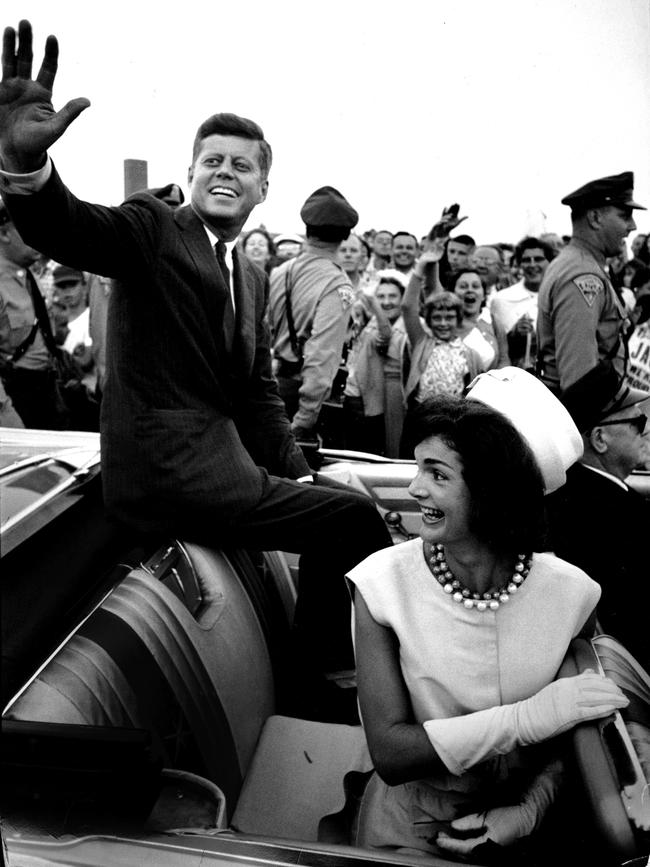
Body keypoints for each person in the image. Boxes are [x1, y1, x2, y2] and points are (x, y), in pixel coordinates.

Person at [0, 21, 392, 685]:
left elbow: (257, 392)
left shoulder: (254, 272)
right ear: (190, 172)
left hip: (221, 471)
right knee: (353, 522)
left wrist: (295, 471)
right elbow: (72, 226)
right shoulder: (154, 227)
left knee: (335, 506)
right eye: (212, 160)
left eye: (242, 165)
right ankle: (320, 678)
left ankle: (313, 668)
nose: (225, 172)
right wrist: (22, 164)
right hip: (169, 480)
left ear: (263, 189)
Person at [347, 370, 628, 862]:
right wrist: (526, 719)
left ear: (492, 491)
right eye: (418, 469)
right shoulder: (379, 584)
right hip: (409, 827)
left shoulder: (572, 592)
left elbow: (579, 726)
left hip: (529, 829)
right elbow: (390, 755)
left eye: (436, 474)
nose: (414, 489)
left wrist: (532, 808)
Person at [545, 362, 650, 669]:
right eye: (638, 421)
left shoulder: (571, 493)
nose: (646, 430)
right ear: (600, 439)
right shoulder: (620, 515)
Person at [536, 171, 646, 393]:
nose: (632, 226)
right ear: (595, 218)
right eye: (625, 216)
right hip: (588, 419)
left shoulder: (577, 262)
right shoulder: (582, 275)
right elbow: (580, 381)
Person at [268, 185, 357, 443]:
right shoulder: (337, 285)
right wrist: (305, 419)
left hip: (274, 385)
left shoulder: (280, 272)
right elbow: (322, 355)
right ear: (345, 235)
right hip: (305, 398)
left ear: (307, 229)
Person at [400, 258, 484, 456]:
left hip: (453, 421)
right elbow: (407, 307)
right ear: (428, 320)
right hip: (421, 415)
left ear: (459, 319)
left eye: (449, 318)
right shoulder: (421, 342)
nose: (443, 323)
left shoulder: (471, 355)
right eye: (437, 318)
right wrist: (421, 267)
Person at [0, 200, 62, 428]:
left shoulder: (29, 277)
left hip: (47, 390)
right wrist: (6, 415)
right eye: (27, 229)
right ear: (4, 234)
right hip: (15, 398)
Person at [342, 269, 408, 457]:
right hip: (358, 396)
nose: (386, 302)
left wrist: (372, 301)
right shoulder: (369, 323)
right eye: (381, 296)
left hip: (386, 401)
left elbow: (385, 334)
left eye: (392, 296)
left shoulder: (405, 325)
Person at [491, 236, 554, 370]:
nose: (532, 265)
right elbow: (494, 348)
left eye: (538, 259)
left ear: (550, 262)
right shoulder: (502, 299)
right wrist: (513, 335)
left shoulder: (560, 297)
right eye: (526, 260)